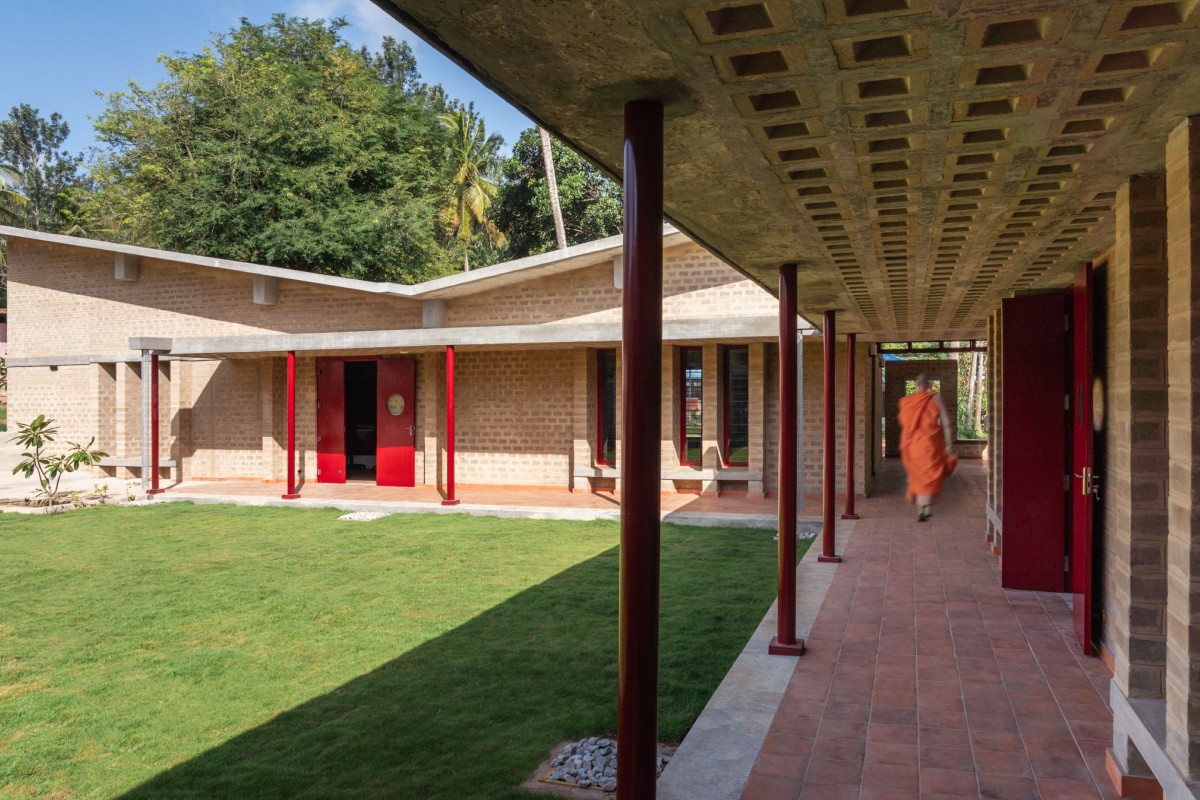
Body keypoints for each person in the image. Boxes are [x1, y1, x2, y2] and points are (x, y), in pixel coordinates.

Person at [898, 373, 955, 522]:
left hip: (915, 446)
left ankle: (920, 509)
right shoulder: (935, 399)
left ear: (917, 386)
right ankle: (927, 508)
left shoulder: (907, 402)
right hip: (931, 445)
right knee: (931, 475)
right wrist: (949, 445)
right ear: (929, 385)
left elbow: (905, 425)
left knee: (917, 476)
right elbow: (946, 423)